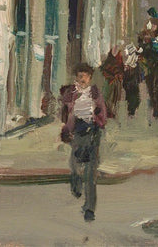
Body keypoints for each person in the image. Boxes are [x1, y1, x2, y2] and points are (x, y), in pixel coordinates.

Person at [60, 63, 107, 222]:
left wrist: (99, 121)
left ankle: (89, 208)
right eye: (80, 76)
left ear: (90, 78)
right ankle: (76, 182)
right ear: (76, 77)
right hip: (77, 131)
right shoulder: (71, 93)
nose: (82, 79)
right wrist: (67, 129)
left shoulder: (95, 92)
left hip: (93, 131)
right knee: (75, 163)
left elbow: (102, 111)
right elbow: (65, 110)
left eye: (85, 76)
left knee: (90, 172)